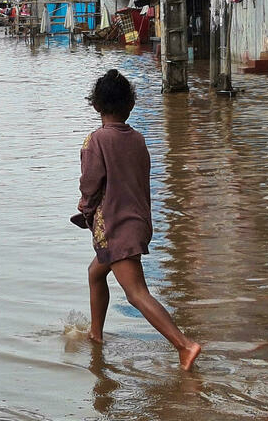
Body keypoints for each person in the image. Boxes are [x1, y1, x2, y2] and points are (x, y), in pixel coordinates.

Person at [75, 69, 201, 370]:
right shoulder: (138, 138)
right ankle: (96, 335)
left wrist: (85, 210)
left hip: (116, 227)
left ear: (96, 105)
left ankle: (184, 345)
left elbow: (90, 184)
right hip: (137, 223)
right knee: (95, 273)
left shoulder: (96, 140)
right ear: (130, 106)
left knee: (136, 293)